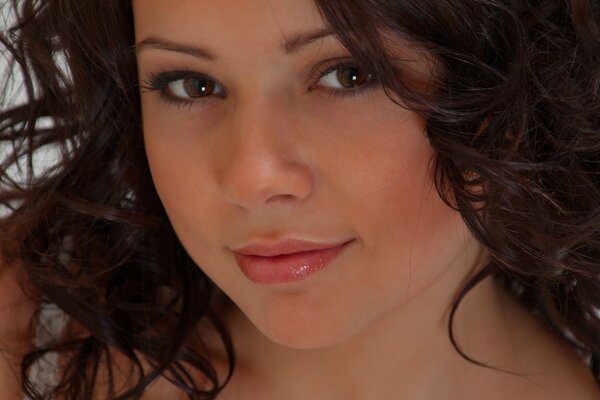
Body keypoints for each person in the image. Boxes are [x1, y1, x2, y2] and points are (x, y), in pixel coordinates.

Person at [0, 0, 599, 399]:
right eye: (192, 84)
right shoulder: (18, 332)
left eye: (347, 74)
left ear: (516, 89)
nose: (252, 179)